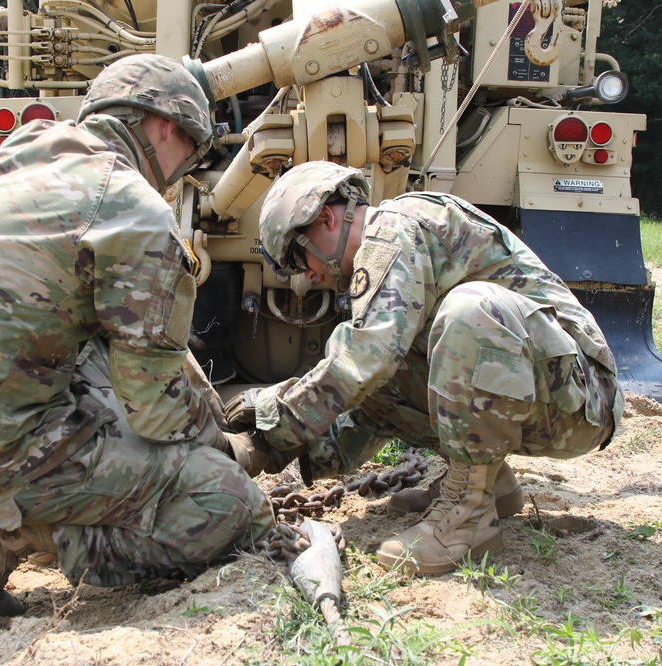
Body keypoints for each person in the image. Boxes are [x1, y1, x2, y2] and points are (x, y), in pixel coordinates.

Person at [0, 54, 274, 617]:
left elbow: (115, 339)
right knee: (230, 504)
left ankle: (0, 506)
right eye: (188, 153)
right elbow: (156, 409)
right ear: (166, 126)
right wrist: (224, 450)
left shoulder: (22, 151)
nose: (180, 174)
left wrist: (202, 410)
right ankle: (11, 534)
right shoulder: (132, 208)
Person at [225, 160, 623, 576]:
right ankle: (491, 484)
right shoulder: (393, 244)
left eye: (297, 255)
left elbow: (368, 356)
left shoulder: (391, 230)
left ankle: (468, 516)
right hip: (549, 389)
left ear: (325, 217)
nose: (306, 275)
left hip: (582, 399)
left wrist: (275, 415)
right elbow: (372, 403)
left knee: (468, 314)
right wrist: (275, 449)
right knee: (385, 357)